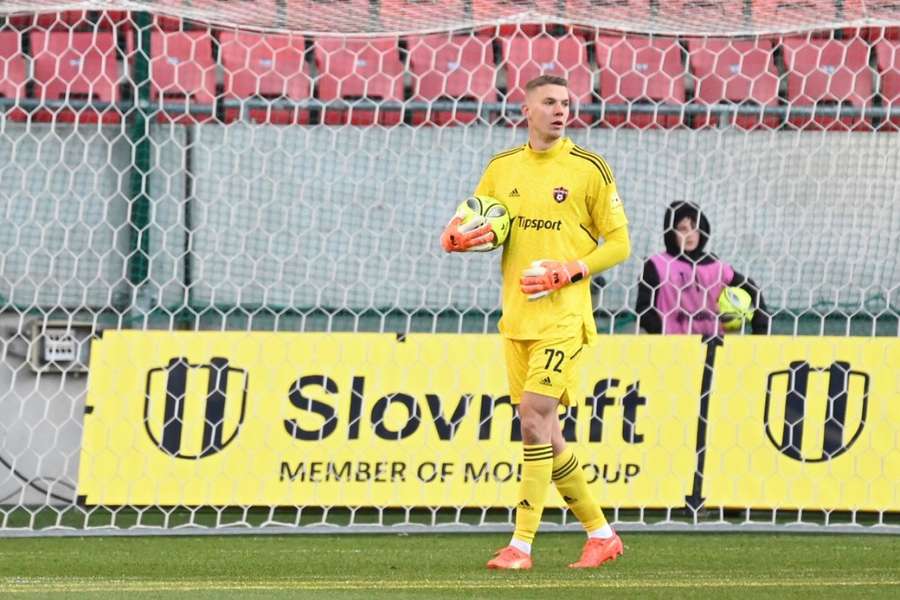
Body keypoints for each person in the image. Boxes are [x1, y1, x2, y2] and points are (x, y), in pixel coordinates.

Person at [440, 75, 631, 570]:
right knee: (548, 432)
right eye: (548, 102)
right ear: (526, 110)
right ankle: (601, 534)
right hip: (516, 319)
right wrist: (457, 237)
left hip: (564, 318)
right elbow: (478, 221)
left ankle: (520, 545)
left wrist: (571, 269)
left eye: (565, 103)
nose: (559, 110)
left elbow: (619, 244)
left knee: (532, 418)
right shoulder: (502, 168)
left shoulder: (589, 169)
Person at [635, 200, 770, 335]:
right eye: (683, 229)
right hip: (672, 348)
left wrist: (760, 330)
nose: (690, 234)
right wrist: (663, 333)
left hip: (712, 346)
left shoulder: (715, 266)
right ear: (671, 231)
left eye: (694, 227)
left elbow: (751, 288)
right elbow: (643, 309)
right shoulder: (656, 264)